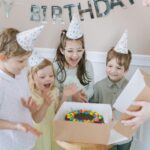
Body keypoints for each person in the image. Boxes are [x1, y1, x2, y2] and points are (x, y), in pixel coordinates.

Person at [0, 26, 44, 150]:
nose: (25, 65)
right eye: (20, 61)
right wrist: (15, 126)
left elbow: (20, 100)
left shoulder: (22, 73)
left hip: (25, 142)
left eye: (26, 60)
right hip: (7, 145)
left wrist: (30, 108)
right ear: (3, 57)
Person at [27, 54, 79, 150]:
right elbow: (36, 119)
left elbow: (57, 113)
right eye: (42, 77)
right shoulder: (32, 97)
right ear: (33, 79)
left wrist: (64, 96)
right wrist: (45, 104)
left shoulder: (54, 91)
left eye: (51, 75)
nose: (48, 79)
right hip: (40, 135)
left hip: (53, 130)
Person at [91, 30, 132, 150]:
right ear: (106, 65)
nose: (113, 71)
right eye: (110, 66)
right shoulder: (98, 86)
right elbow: (93, 108)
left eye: (118, 68)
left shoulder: (130, 87)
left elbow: (133, 109)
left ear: (126, 70)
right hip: (106, 135)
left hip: (125, 135)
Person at [54, 15, 94, 102]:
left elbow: (91, 88)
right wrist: (71, 96)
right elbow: (54, 92)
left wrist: (84, 95)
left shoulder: (88, 65)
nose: (75, 55)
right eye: (70, 51)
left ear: (83, 50)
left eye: (79, 50)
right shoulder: (55, 67)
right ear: (62, 50)